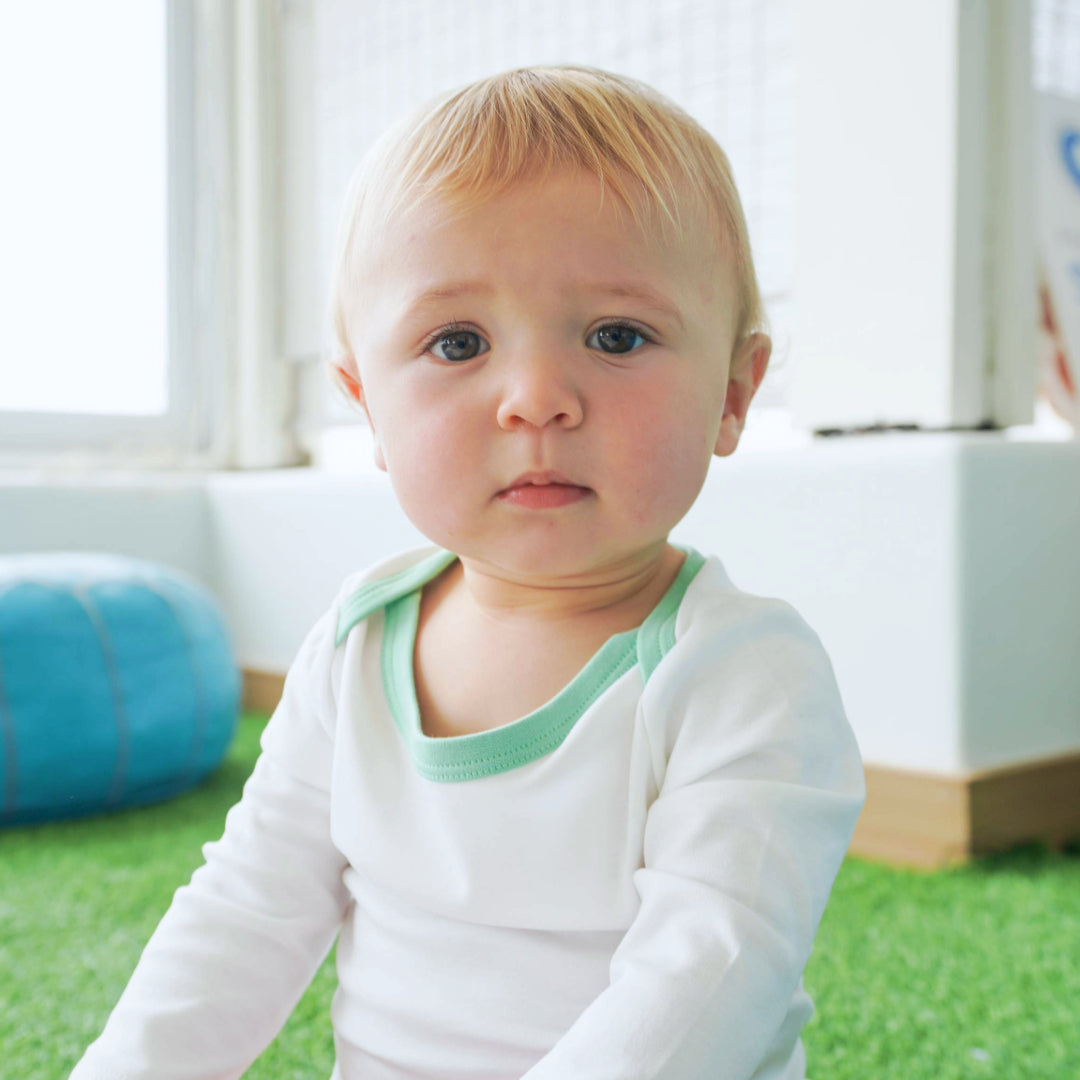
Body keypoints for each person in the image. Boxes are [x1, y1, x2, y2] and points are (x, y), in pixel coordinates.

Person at [71, 65, 865, 1080]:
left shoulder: (744, 676)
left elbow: (710, 972)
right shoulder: (359, 645)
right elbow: (247, 908)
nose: (536, 398)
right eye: (458, 342)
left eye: (617, 336)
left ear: (734, 394)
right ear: (369, 408)